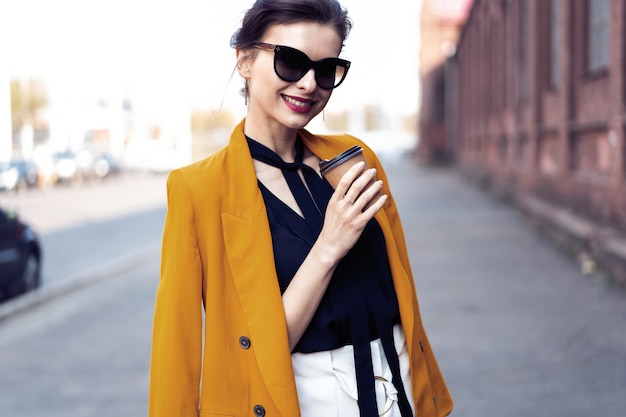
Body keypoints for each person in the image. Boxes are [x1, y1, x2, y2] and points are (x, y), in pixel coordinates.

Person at [148, 1, 453, 416]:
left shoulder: (355, 158)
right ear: (244, 60)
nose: (310, 83)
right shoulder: (199, 191)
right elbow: (178, 355)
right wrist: (329, 245)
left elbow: (401, 295)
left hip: (398, 390)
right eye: (291, 62)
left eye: (326, 70)